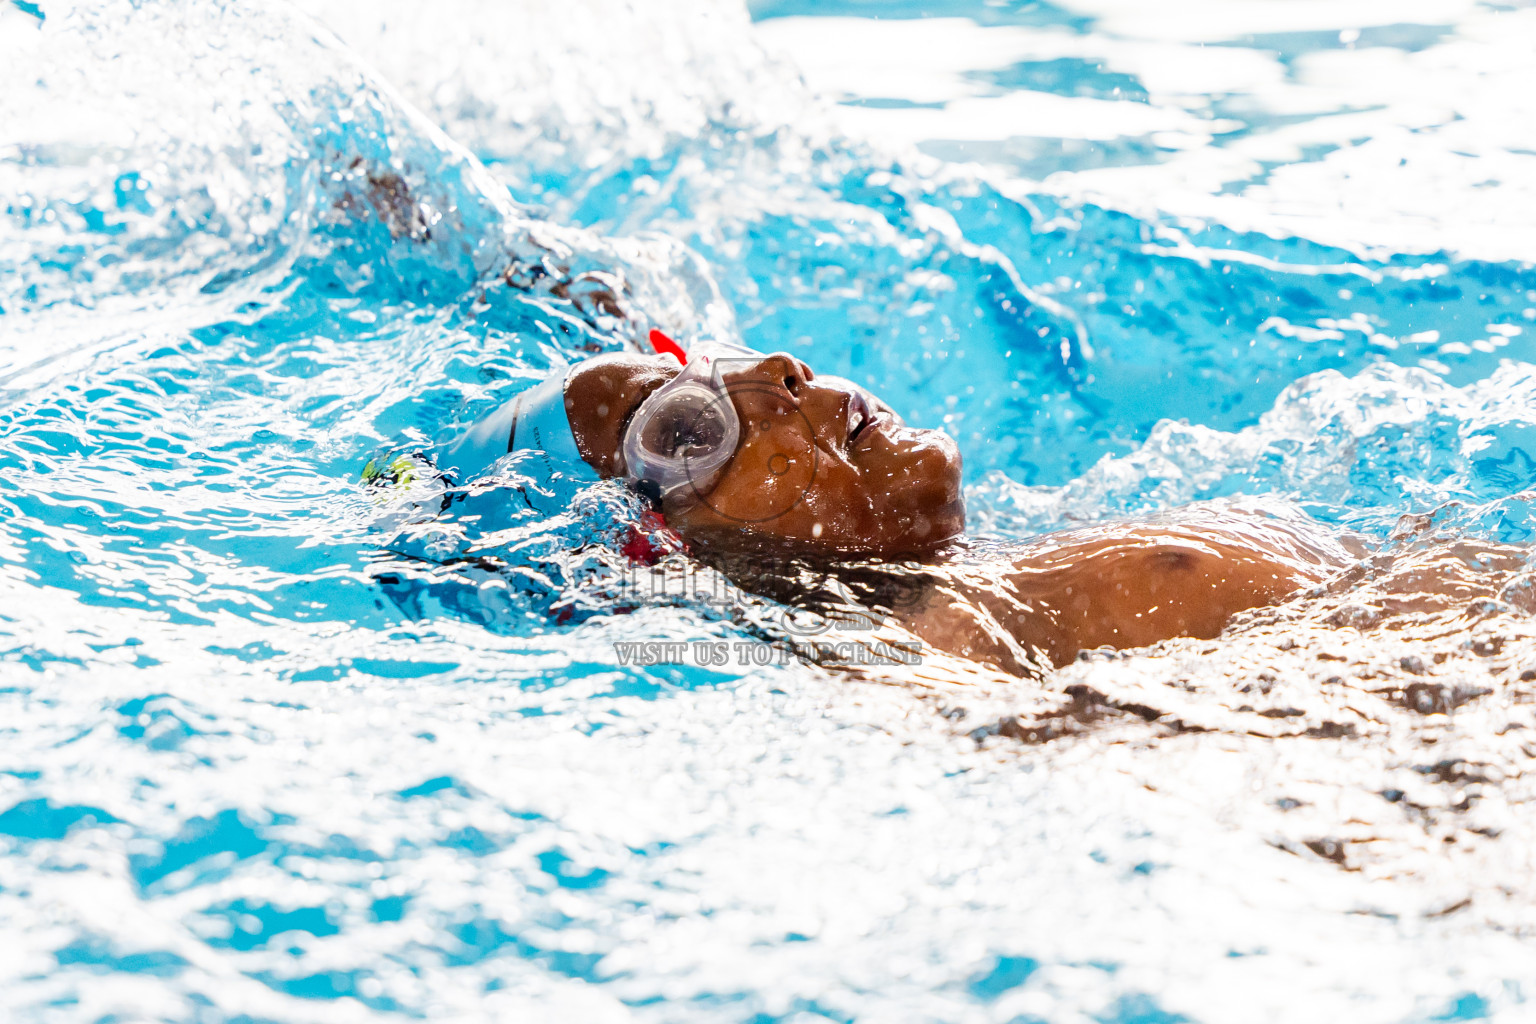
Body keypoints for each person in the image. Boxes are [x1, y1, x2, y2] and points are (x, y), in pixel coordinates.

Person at [421, 333, 1353, 676]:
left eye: (713, 365)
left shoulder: (985, 603)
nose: (780, 376)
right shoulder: (924, 665)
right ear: (664, 547)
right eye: (688, 429)